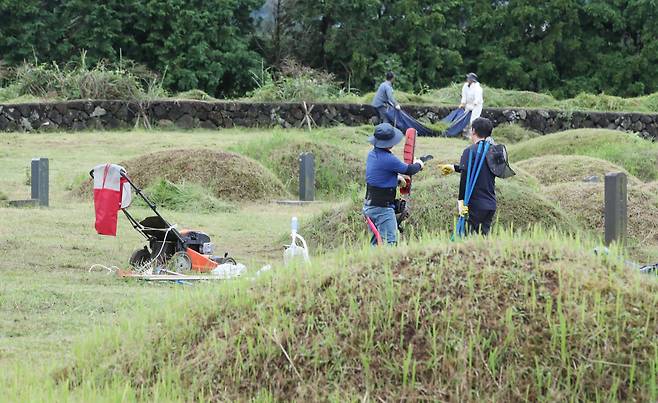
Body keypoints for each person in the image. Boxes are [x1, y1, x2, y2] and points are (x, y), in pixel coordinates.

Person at [364, 123, 424, 245]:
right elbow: (409, 169)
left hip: (369, 206)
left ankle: (373, 263)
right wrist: (419, 164)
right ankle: (387, 263)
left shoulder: (371, 155)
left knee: (376, 242)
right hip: (382, 209)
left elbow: (378, 174)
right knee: (390, 242)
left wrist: (396, 179)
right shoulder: (388, 159)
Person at [439, 117, 496, 235]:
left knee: (468, 238)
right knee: (483, 239)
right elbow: (478, 168)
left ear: (473, 131)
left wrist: (461, 201)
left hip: (475, 204)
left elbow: (465, 177)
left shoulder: (469, 151)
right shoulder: (493, 151)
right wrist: (454, 167)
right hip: (490, 204)